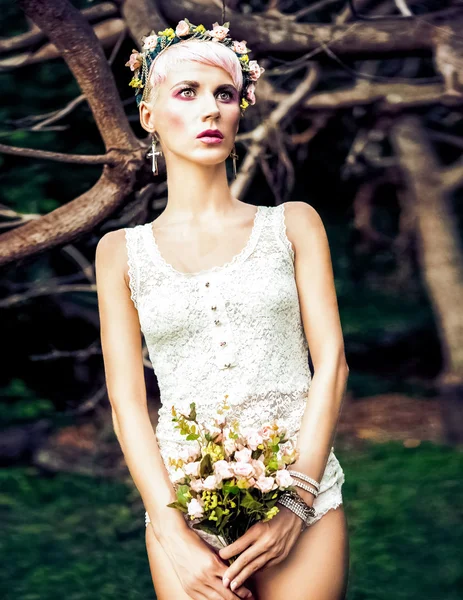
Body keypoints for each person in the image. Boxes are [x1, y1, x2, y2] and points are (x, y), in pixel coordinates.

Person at [96, 18, 350, 600]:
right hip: (182, 506)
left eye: (225, 94)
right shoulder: (119, 253)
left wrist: (296, 500)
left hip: (301, 495)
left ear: (241, 111)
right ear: (149, 115)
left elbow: (331, 363)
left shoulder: (294, 223)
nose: (210, 109)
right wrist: (170, 529)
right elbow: (126, 401)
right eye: (187, 92)